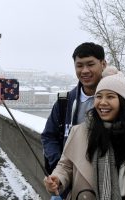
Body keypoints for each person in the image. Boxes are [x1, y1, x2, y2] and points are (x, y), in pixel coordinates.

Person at [44, 66, 125, 200]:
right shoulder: (79, 132)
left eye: (110, 97)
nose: (102, 102)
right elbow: (66, 166)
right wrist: (58, 179)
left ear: (123, 101)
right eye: (99, 96)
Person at [41, 42, 106, 195]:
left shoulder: (117, 101)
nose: (85, 71)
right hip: (69, 188)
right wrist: (60, 168)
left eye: (90, 64)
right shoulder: (64, 102)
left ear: (103, 64)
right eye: (79, 66)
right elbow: (48, 136)